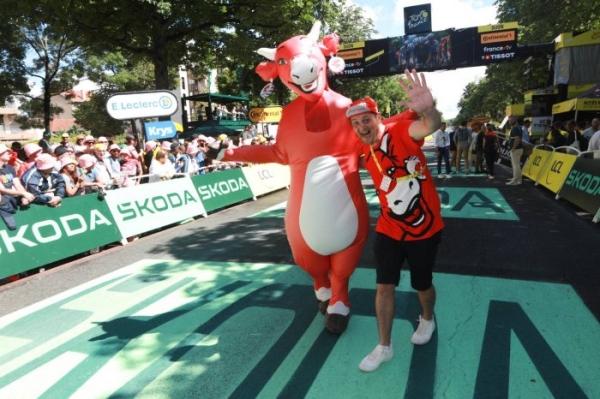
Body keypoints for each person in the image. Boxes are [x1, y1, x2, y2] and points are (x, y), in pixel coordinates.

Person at [346, 70, 444, 373]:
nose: (362, 126)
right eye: (356, 122)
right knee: (383, 287)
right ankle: (384, 346)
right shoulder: (363, 148)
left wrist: (429, 109)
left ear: (378, 119)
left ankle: (427, 317)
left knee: (422, 284)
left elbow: (429, 125)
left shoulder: (400, 131)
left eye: (367, 119)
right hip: (389, 227)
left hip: (425, 228)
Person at [0, 144, 35, 230]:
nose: (10, 153)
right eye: (7, 152)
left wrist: (24, 196)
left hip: (11, 198)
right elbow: (2, 189)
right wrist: (23, 193)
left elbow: (17, 184)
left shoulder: (9, 168)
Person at [506, 115, 524, 185]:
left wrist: (513, 148)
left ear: (515, 119)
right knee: (517, 165)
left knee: (515, 165)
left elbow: (517, 139)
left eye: (511, 120)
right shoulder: (518, 127)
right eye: (509, 120)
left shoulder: (515, 128)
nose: (510, 122)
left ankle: (515, 180)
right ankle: (518, 180)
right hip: (518, 149)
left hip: (516, 149)